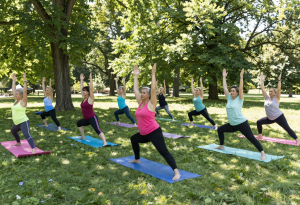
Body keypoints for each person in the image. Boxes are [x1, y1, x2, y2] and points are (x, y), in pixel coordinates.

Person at [129, 64, 181, 180]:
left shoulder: (151, 104)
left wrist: (153, 74)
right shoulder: (140, 103)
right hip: (144, 134)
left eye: (144, 93)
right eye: (141, 93)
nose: (141, 94)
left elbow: (153, 89)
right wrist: (135, 76)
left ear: (148, 95)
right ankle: (137, 159)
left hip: (154, 132)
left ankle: (177, 172)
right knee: (133, 139)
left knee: (163, 151)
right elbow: (135, 89)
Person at [215, 69, 267, 160]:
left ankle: (263, 154)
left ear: (237, 92)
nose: (231, 92)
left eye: (234, 91)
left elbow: (241, 88)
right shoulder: (229, 98)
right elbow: (224, 88)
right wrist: (224, 77)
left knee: (251, 138)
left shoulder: (240, 99)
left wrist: (241, 77)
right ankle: (222, 145)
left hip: (241, 123)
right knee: (220, 130)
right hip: (232, 124)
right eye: (231, 91)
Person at [257, 73, 299, 145]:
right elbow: (263, 89)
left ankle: (297, 140)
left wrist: (279, 80)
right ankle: (260, 136)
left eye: (271, 91)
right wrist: (262, 80)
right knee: (259, 122)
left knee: (287, 128)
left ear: (275, 93)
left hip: (279, 117)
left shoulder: (276, 98)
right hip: (270, 118)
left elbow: (279, 89)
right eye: (269, 91)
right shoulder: (266, 98)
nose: (270, 92)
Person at [77, 73, 108, 146]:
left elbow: (91, 88)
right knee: (79, 123)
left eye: (85, 90)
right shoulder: (84, 98)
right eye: (83, 91)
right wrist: (81, 80)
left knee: (97, 130)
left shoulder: (90, 98)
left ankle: (105, 142)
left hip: (92, 118)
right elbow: (81, 89)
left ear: (88, 92)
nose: (83, 92)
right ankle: (83, 137)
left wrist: (91, 79)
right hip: (86, 119)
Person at [10, 73, 36, 153]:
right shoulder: (16, 101)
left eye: (17, 94)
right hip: (17, 122)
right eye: (15, 94)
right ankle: (18, 142)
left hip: (23, 121)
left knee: (26, 134)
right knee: (13, 131)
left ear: (21, 95)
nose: (15, 94)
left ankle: (33, 148)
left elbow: (24, 92)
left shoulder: (23, 102)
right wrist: (13, 81)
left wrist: (25, 81)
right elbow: (14, 90)